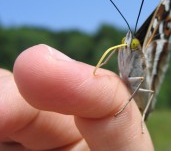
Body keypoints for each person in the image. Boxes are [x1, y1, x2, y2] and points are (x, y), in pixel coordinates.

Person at [0, 44, 154, 151]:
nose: (126, 45)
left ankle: (141, 118)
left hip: (141, 90)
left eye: (131, 45)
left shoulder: (138, 54)